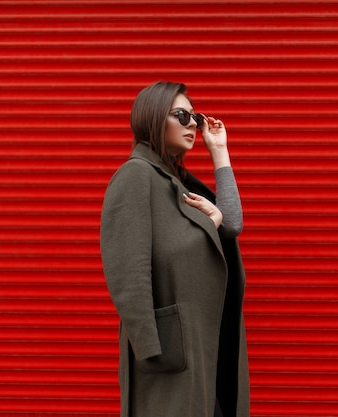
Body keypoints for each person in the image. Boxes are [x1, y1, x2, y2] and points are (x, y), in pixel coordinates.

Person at [100, 81, 250, 417]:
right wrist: (150, 348)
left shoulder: (177, 181)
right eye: (181, 116)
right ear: (153, 117)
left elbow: (231, 226)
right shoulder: (135, 176)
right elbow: (128, 270)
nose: (193, 125)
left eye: (194, 117)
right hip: (169, 352)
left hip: (202, 343)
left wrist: (220, 153)